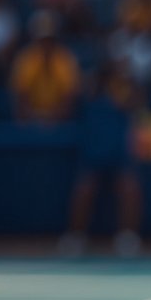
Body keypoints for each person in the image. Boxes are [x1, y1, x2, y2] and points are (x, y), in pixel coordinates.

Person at [59, 64, 144, 257]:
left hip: (120, 156)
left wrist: (126, 83)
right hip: (94, 155)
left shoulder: (124, 96)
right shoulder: (89, 97)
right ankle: (75, 236)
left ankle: (127, 237)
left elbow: (137, 103)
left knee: (130, 188)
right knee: (84, 189)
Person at [9, 11, 80, 123]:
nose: (46, 44)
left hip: (59, 121)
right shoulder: (26, 59)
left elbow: (70, 97)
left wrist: (53, 117)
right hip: (31, 120)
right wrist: (34, 117)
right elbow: (20, 95)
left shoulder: (64, 59)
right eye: (43, 40)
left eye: (49, 40)